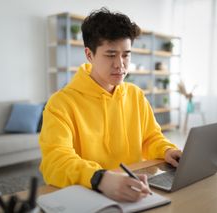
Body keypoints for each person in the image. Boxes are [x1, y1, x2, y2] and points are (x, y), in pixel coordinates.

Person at [39, 8, 182, 202]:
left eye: (126, 55)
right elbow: (55, 161)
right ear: (89, 55)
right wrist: (100, 178)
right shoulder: (61, 103)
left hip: (135, 190)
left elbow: (150, 138)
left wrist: (167, 150)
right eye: (111, 55)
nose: (120, 65)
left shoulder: (135, 95)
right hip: (89, 194)